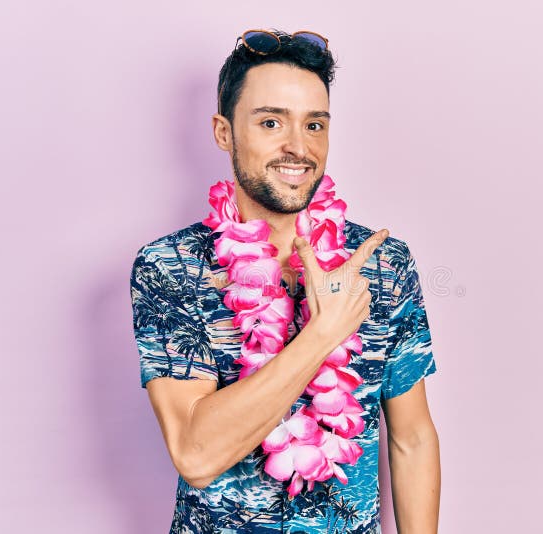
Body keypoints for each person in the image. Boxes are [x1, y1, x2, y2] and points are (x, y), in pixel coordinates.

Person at [129, 29, 440, 533]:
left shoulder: (382, 264)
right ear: (224, 132)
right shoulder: (169, 267)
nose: (298, 147)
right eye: (271, 121)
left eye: (314, 124)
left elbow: (412, 438)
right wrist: (322, 335)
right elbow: (195, 453)